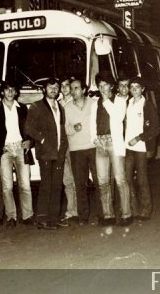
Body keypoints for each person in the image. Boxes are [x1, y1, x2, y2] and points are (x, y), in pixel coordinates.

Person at [25, 78, 68, 230]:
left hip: (58, 153)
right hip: (45, 153)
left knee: (57, 186)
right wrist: (42, 139)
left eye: (56, 87)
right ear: (44, 89)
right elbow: (29, 128)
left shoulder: (60, 107)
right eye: (50, 87)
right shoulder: (36, 106)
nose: (54, 90)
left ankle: (53, 219)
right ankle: (42, 219)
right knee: (46, 186)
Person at [90, 74, 132, 226]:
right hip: (100, 143)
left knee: (120, 179)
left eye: (105, 85)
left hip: (114, 142)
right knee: (102, 181)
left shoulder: (119, 100)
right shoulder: (95, 103)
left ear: (111, 87)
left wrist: (106, 100)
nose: (102, 89)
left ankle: (126, 214)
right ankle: (108, 215)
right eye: (100, 86)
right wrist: (94, 138)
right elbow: (92, 123)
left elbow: (117, 116)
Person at [0, 81, 34, 227]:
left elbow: (30, 129)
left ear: (16, 92)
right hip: (5, 150)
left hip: (20, 148)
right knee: (7, 186)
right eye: (7, 90)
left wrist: (29, 141)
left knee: (25, 184)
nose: (10, 92)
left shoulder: (23, 108)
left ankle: (28, 215)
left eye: (13, 90)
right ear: (2, 92)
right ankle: (11, 216)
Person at [124, 76, 160, 221]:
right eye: (131, 87)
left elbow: (156, 128)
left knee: (141, 179)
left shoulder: (147, 105)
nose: (134, 90)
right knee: (127, 179)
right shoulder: (128, 103)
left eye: (137, 87)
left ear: (142, 89)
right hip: (127, 148)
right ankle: (134, 210)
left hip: (141, 147)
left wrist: (139, 138)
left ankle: (145, 210)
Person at [64, 78, 99, 225]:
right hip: (76, 150)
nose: (73, 91)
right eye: (71, 89)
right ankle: (83, 217)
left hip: (93, 147)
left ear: (84, 90)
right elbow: (64, 129)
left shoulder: (94, 104)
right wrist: (73, 129)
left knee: (99, 182)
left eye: (76, 88)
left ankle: (103, 214)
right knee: (80, 184)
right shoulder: (66, 108)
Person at [58, 77, 78, 224]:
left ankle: (77, 211)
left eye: (67, 86)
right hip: (61, 147)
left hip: (74, 145)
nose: (64, 88)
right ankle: (71, 211)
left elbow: (78, 126)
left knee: (77, 178)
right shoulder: (57, 104)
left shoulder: (75, 103)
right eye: (62, 86)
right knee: (67, 180)